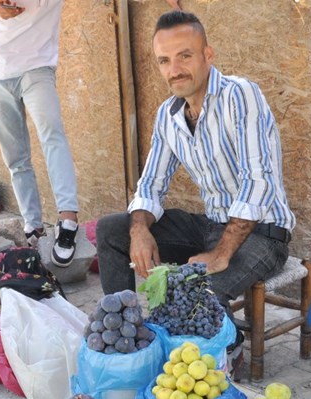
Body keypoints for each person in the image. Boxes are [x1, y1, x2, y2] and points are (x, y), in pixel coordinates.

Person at [96, 10, 295, 360]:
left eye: (185, 56)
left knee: (195, 296)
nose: (175, 69)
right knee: (113, 229)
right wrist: (139, 228)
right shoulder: (168, 115)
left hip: (262, 235)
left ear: (208, 55)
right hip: (209, 226)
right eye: (164, 60)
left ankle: (222, 354)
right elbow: (151, 185)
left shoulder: (241, 95)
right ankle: (122, 335)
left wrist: (221, 253)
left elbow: (258, 182)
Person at [0, 1, 176, 266]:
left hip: (37, 67)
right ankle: (33, 226)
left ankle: (68, 221)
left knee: (52, 135)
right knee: (15, 154)